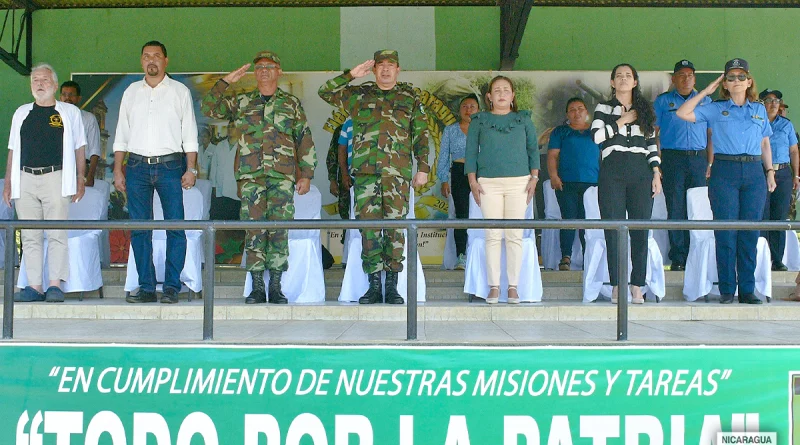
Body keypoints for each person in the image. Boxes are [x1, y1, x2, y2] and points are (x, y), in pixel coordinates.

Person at [202, 50, 316, 304]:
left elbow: (304, 140)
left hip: (281, 177)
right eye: (260, 66)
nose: (264, 70)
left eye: (270, 66)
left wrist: (306, 174)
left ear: (279, 71)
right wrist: (226, 81)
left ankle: (275, 286)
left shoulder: (291, 104)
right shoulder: (242, 102)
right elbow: (208, 107)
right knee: (254, 231)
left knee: (279, 230)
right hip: (251, 177)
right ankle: (256, 287)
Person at [318, 49, 430, 305]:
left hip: (397, 175)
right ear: (373, 69)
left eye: (391, 65)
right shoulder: (359, 95)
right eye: (381, 65)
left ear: (398, 69)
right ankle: (373, 285)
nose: (386, 69)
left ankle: (391, 285)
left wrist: (423, 167)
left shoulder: (409, 97)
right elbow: (325, 92)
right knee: (368, 230)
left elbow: (421, 134)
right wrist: (350, 75)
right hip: (366, 175)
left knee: (394, 230)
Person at [677, 58, 776, 304]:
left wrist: (771, 171)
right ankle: (727, 290)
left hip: (754, 171)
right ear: (725, 83)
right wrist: (706, 92)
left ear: (749, 81)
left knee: (750, 233)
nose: (736, 81)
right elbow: (683, 112)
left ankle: (747, 289)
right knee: (726, 232)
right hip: (725, 170)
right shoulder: (714, 107)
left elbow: (765, 142)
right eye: (731, 77)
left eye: (741, 76)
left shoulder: (759, 109)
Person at [114, 41, 199, 305]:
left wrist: (192, 168)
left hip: (171, 166)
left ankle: (172, 287)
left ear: (166, 60)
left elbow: (190, 135)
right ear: (141, 61)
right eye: (146, 56)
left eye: (157, 56)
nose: (151, 60)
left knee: (176, 228)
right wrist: (118, 169)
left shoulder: (179, 91)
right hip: (137, 166)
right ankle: (147, 288)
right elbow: (121, 135)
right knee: (140, 230)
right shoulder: (131, 92)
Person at [4, 63, 86, 303]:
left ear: (55, 84)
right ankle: (34, 286)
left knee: (57, 232)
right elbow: (12, 149)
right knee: (30, 234)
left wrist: (80, 178)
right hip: (25, 178)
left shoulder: (69, 112)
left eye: (44, 80)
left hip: (56, 177)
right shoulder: (21, 113)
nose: (39, 84)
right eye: (35, 81)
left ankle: (54, 286)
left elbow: (80, 147)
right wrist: (8, 182)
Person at [591, 63, 662, 304]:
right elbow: (597, 137)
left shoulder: (645, 109)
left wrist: (655, 172)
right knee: (613, 228)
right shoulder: (603, 107)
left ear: (635, 82)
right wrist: (622, 120)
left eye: (628, 75)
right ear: (612, 82)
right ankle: (616, 284)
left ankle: (637, 285)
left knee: (640, 229)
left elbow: (651, 143)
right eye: (618, 76)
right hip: (612, 169)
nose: (623, 79)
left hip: (640, 170)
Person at [465, 75, 539, 304]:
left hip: (520, 182)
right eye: (496, 90)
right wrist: (473, 181)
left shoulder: (523, 119)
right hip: (488, 183)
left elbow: (533, 149)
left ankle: (513, 287)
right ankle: (494, 286)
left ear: (512, 95)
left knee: (514, 235)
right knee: (493, 235)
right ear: (489, 96)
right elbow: (470, 153)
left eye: (506, 89)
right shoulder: (479, 120)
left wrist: (534, 177)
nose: (501, 93)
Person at [653, 60, 713, 271]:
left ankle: (697, 255)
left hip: (698, 159)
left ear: (695, 79)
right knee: (676, 206)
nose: (686, 79)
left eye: (689, 75)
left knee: (697, 206)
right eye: (681, 75)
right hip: (672, 159)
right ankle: (678, 256)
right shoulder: (663, 102)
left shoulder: (706, 101)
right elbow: (654, 133)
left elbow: (710, 134)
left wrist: (710, 162)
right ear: (673, 79)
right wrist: (657, 162)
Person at [547, 97, 599, 271]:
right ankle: (566, 258)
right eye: (572, 109)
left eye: (580, 109)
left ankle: (589, 258)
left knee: (587, 222)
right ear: (567, 114)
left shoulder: (596, 131)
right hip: (566, 182)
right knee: (568, 219)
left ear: (587, 112)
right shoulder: (560, 132)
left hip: (592, 184)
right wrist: (553, 176)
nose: (577, 113)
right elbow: (553, 155)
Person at [438, 94, 480, 270]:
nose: (468, 109)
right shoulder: (451, 130)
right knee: (462, 214)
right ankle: (461, 256)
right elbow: (443, 156)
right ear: (459, 109)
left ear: (478, 110)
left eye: (472, 106)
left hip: (481, 174)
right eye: (464, 106)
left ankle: (479, 256)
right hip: (458, 172)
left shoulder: (483, 129)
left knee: (480, 214)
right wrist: (443, 179)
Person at [759, 89, 799, 271]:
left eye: (777, 100)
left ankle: (777, 260)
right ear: (762, 103)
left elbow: (793, 152)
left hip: (783, 173)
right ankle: (761, 259)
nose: (774, 103)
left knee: (779, 218)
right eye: (769, 100)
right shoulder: (756, 122)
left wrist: (796, 175)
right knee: (762, 216)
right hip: (760, 172)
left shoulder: (786, 125)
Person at [59, 80, 102, 187]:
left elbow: (94, 150)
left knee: (81, 202)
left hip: (82, 169)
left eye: (71, 95)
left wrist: (90, 176)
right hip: (58, 170)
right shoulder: (53, 120)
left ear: (79, 98)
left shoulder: (88, 118)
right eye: (64, 95)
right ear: (60, 98)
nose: (67, 98)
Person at [208, 122, 242, 221]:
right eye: (229, 127)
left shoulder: (242, 145)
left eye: (233, 127)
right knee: (221, 217)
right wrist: (213, 185)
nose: (230, 129)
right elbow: (214, 166)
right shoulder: (220, 145)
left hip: (235, 187)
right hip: (220, 186)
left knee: (234, 218)